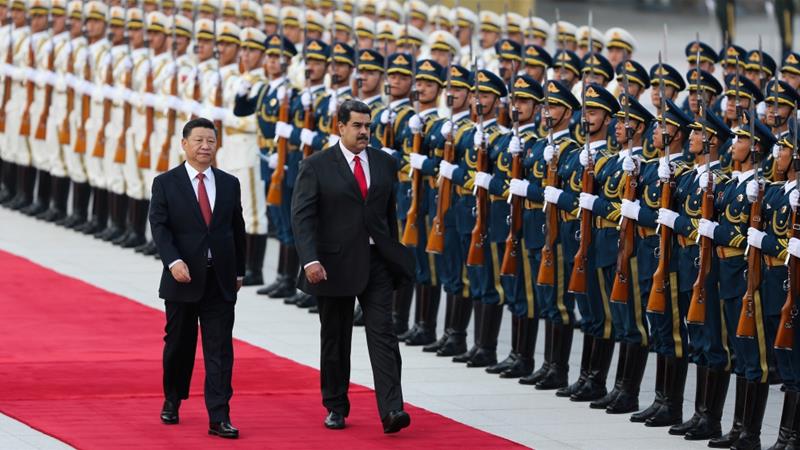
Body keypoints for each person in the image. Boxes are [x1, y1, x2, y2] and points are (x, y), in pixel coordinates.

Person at [291, 99, 415, 433]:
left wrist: (391, 251)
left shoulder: (384, 163)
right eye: (357, 126)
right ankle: (335, 405)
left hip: (376, 262)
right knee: (335, 337)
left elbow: (388, 214)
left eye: (368, 126)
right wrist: (310, 259)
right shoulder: (316, 165)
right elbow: (302, 218)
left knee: (384, 334)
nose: (364, 132)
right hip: (332, 264)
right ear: (340, 127)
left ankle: (392, 409)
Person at [149, 117, 246, 439]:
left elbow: (237, 230)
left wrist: (239, 271)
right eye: (199, 141)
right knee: (179, 345)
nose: (205, 147)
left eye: (211, 141)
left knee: (219, 350)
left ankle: (219, 416)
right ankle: (173, 398)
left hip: (219, 280)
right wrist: (172, 261)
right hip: (183, 278)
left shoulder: (229, 183)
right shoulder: (166, 183)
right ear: (184, 144)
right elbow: (159, 227)